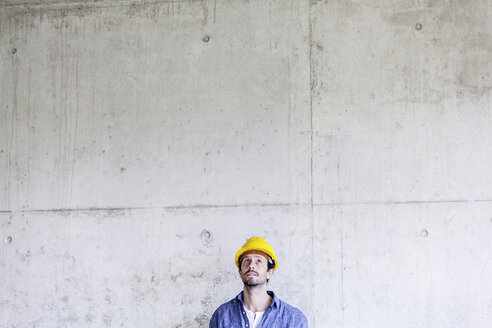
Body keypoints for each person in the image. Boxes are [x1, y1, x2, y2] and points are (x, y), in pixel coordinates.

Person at [209, 237, 308, 328]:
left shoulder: (293, 319)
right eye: (247, 260)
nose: (251, 265)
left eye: (258, 261)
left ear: (269, 272)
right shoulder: (222, 315)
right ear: (240, 272)